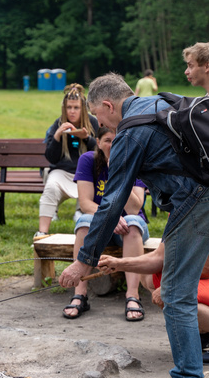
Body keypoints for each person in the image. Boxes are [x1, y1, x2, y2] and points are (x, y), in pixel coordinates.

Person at [58, 72, 209, 378]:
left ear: (108, 105)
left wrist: (83, 261)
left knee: (176, 291)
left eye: (98, 116)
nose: (100, 125)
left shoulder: (130, 133)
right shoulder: (164, 100)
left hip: (203, 197)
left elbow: (111, 203)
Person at [97, 240, 209, 365]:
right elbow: (158, 258)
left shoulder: (207, 209)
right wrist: (119, 264)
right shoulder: (179, 209)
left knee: (171, 294)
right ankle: (204, 333)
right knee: (149, 278)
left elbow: (207, 268)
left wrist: (170, 284)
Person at [63, 126, 149, 321]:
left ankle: (133, 295)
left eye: (117, 140)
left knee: (133, 223)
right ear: (99, 143)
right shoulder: (88, 160)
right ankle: (80, 293)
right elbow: (85, 204)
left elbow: (135, 208)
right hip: (100, 225)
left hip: (127, 227)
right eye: (108, 140)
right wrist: (110, 216)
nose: (113, 145)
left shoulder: (135, 161)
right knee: (84, 221)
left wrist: (119, 172)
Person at [34, 84, 99, 240]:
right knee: (50, 187)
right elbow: (51, 158)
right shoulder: (58, 124)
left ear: (82, 108)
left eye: (76, 107)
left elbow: (102, 151)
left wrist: (87, 139)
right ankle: (42, 233)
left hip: (87, 173)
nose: (72, 111)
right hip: (62, 172)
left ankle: (89, 228)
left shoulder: (93, 123)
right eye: (69, 107)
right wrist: (57, 136)